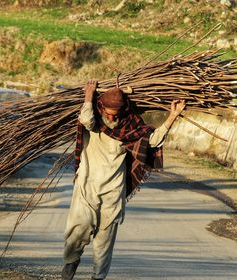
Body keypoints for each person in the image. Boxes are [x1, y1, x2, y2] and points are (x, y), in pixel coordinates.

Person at [61, 80, 186, 280]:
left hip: (113, 192)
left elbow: (152, 140)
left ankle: (97, 277)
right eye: (108, 113)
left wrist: (173, 116)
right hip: (87, 187)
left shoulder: (130, 126)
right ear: (100, 107)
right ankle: (68, 269)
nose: (112, 118)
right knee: (77, 231)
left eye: (116, 114)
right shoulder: (94, 122)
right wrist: (88, 95)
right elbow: (85, 119)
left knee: (104, 242)